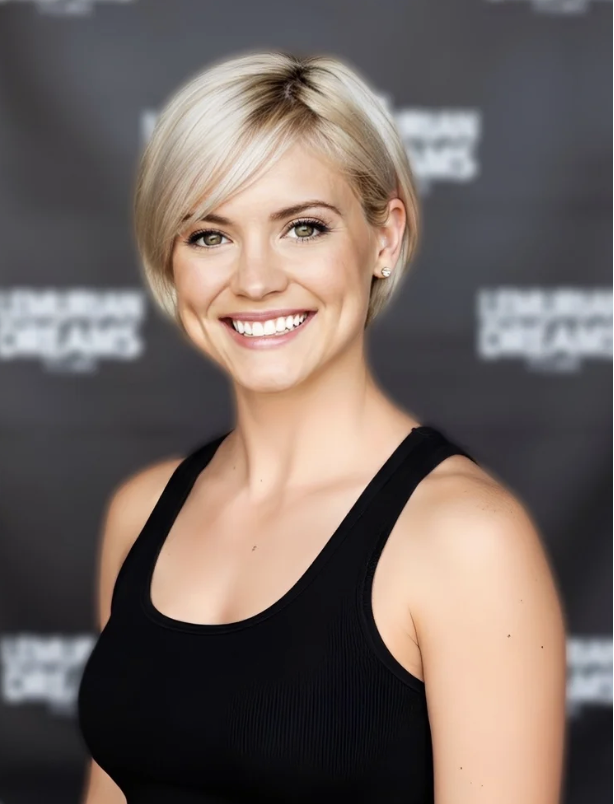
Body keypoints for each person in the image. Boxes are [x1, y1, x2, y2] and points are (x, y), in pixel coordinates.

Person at [77, 50, 567, 804]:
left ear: (384, 238)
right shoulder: (139, 513)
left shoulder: (465, 541)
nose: (255, 279)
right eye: (209, 235)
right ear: (172, 266)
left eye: (302, 227)